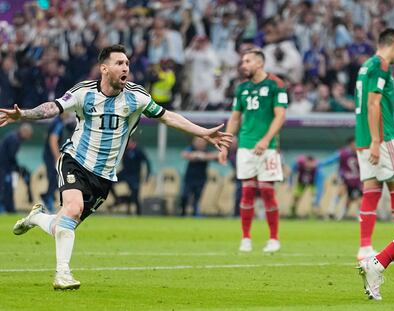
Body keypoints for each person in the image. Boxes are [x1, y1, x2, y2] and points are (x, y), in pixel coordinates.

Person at [0, 44, 232, 290]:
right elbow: (52, 108)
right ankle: (62, 275)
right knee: (73, 208)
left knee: (62, 224)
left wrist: (204, 132)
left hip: (104, 175)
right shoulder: (83, 93)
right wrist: (22, 114)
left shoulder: (137, 97)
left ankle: (36, 218)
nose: (126, 68)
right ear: (104, 68)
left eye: (127, 64)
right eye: (119, 63)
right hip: (75, 160)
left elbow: (168, 117)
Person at [218, 48, 287, 253]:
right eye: (242, 61)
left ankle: (273, 239)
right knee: (247, 191)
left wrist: (266, 139)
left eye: (247, 61)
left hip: (268, 148)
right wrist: (225, 145)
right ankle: (246, 238)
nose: (243, 65)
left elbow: (280, 116)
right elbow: (235, 118)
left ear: (259, 63)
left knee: (267, 191)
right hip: (246, 146)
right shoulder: (242, 88)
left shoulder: (276, 84)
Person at [354, 28, 394, 262]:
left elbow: (377, 106)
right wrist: (379, 141)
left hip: (363, 138)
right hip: (381, 138)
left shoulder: (365, 66)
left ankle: (365, 246)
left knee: (371, 189)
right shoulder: (382, 66)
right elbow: (373, 104)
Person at [319, 137, 362, 220]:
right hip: (344, 177)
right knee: (340, 190)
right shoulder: (342, 153)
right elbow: (331, 160)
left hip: (356, 180)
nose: (356, 145)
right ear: (350, 144)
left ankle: (343, 215)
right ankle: (331, 210)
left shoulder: (361, 153)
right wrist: (320, 163)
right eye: (355, 143)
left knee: (354, 198)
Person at [110, 138, 151, 215]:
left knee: (135, 196)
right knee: (109, 182)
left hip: (134, 176)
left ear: (133, 142)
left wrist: (147, 176)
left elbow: (147, 163)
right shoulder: (124, 150)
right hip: (125, 173)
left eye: (128, 142)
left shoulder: (138, 151)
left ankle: (138, 214)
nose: (127, 144)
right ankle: (118, 199)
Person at [180, 136, 217, 217]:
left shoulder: (206, 151)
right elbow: (184, 154)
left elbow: (215, 156)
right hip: (189, 178)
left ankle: (195, 214)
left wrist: (203, 156)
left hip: (201, 179)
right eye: (198, 141)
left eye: (202, 141)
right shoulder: (191, 148)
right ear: (194, 142)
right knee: (184, 196)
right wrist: (195, 155)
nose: (200, 143)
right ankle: (182, 213)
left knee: (197, 198)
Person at [41, 113, 71, 212]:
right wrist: (57, 157)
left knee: (53, 179)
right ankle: (47, 201)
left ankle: (47, 198)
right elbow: (53, 140)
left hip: (48, 155)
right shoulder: (58, 123)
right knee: (54, 179)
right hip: (51, 156)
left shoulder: (55, 122)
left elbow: (46, 136)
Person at [0, 123, 33, 213]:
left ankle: (9, 210)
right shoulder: (14, 139)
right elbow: (11, 157)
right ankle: (4, 210)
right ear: (24, 132)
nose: (28, 138)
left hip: (5, 168)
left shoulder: (13, 137)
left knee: (7, 189)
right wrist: (18, 168)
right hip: (4, 168)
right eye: (28, 135)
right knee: (5, 189)